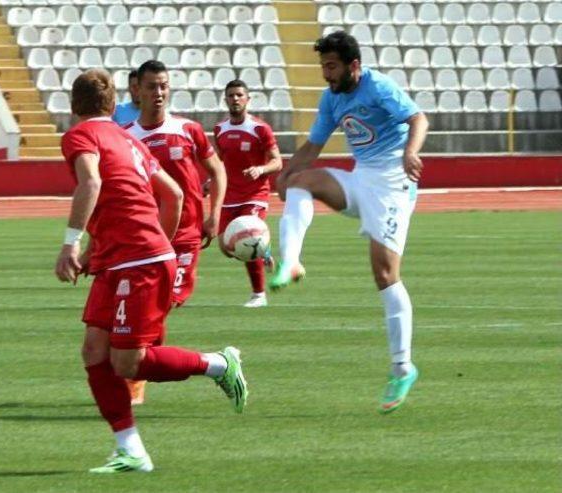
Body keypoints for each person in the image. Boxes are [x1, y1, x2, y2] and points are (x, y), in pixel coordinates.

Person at [55, 69, 248, 473]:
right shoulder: (126, 139)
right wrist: (145, 244)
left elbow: (90, 184)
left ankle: (218, 364)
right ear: (113, 104)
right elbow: (173, 194)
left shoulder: (81, 136)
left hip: (137, 263)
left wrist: (71, 243)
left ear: (74, 107)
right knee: (94, 350)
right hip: (127, 260)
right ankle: (131, 450)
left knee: (128, 362)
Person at [270, 31, 428, 414]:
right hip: (361, 179)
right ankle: (290, 261)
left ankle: (402, 368)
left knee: (385, 274)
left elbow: (418, 118)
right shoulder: (331, 99)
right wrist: (286, 174)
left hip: (392, 186)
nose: (326, 74)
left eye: (331, 66)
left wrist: (410, 152)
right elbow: (313, 146)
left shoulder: (378, 86)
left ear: (352, 65)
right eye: (324, 66)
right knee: (301, 182)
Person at [125, 60, 226, 308]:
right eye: (151, 87)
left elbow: (218, 170)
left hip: (187, 233)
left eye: (163, 86)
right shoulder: (126, 137)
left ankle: (145, 348)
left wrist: (214, 214)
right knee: (147, 303)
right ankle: (147, 348)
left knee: (168, 300)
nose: (158, 93)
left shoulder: (188, 129)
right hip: (146, 235)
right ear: (137, 90)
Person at [213, 79, 282, 308]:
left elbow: (277, 161)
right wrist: (209, 182)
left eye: (239, 95)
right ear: (226, 99)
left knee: (247, 237)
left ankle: (259, 294)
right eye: (231, 95)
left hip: (255, 194)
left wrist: (260, 169)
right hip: (229, 196)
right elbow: (219, 161)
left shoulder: (259, 128)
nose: (235, 99)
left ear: (247, 99)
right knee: (226, 247)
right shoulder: (220, 129)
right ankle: (265, 251)